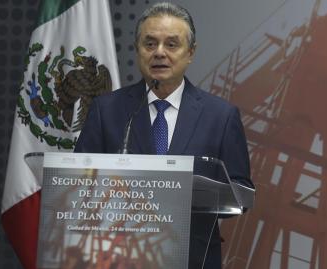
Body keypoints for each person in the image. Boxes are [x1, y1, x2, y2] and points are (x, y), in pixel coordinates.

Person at [75, 2, 252, 268]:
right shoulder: (107, 109)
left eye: (171, 44)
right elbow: (79, 182)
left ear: (190, 52)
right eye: (150, 44)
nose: (159, 53)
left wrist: (187, 190)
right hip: (117, 257)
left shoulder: (221, 116)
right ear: (137, 50)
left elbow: (242, 192)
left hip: (193, 258)